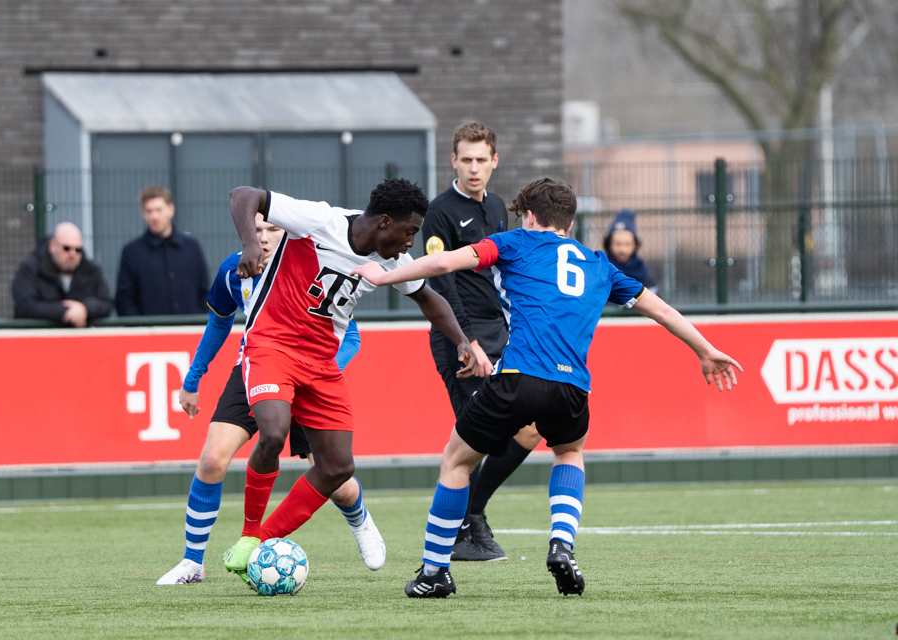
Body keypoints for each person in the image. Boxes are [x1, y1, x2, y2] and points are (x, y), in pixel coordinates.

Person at [350, 177, 742, 598]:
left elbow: (444, 263)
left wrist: (382, 275)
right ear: (570, 224)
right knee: (570, 452)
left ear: (530, 216)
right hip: (572, 388)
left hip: (517, 377)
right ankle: (561, 544)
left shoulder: (515, 242)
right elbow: (661, 309)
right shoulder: (599, 264)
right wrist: (706, 350)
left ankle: (434, 573)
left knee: (456, 463)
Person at [220, 178, 477, 584]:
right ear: (385, 221)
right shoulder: (319, 221)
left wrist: (462, 340)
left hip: (321, 360)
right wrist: (252, 243)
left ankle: (262, 541)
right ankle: (250, 533)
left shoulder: (388, 261)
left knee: (338, 466)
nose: (410, 243)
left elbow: (429, 298)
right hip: (272, 346)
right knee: (272, 433)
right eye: (408, 232)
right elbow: (243, 195)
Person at [157, 218, 385, 586]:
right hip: (257, 366)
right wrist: (192, 379)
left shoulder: (313, 268)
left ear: (288, 232)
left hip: (311, 376)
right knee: (213, 459)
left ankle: (360, 520)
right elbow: (219, 324)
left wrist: (317, 372)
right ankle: (192, 563)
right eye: (257, 230)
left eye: (272, 230)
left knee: (339, 482)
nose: (263, 238)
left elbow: (352, 338)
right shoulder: (234, 270)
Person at [421, 121, 541, 562]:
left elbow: (505, 275)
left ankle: (473, 514)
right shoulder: (440, 212)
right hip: (459, 337)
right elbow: (442, 280)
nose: (474, 168)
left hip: (501, 334)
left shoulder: (495, 207)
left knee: (530, 429)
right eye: (465, 160)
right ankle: (462, 532)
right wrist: (464, 340)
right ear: (454, 161)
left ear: (495, 161)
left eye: (481, 160)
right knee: (477, 436)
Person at [115, 184, 210, 316]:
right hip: (149, 333)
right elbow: (124, 300)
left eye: (159, 210)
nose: (154, 216)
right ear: (143, 214)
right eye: (149, 211)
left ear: (171, 209)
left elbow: (205, 292)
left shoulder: (192, 247)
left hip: (190, 332)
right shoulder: (132, 252)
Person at [12, 221, 113, 326]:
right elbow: (26, 306)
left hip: (79, 339)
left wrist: (84, 309)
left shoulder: (90, 269)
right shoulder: (31, 268)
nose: (72, 254)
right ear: (52, 246)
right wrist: (67, 312)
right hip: (40, 338)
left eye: (78, 249)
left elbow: (106, 303)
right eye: (66, 248)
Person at [603, 208, 656, 292]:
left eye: (627, 244)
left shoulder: (644, 273)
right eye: (618, 244)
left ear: (635, 245)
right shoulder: (601, 269)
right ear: (609, 244)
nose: (622, 249)